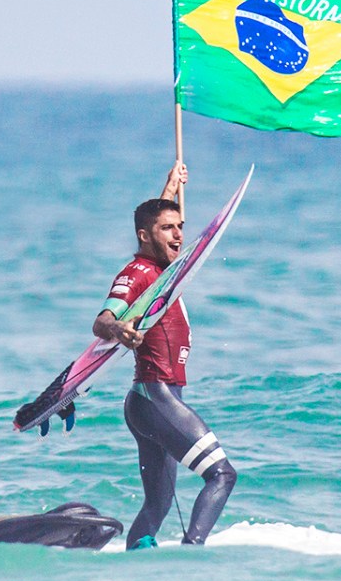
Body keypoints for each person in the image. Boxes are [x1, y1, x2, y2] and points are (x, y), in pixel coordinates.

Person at [92, 162, 236, 549]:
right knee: (222, 475)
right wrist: (118, 329)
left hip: (157, 400)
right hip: (156, 398)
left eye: (180, 227)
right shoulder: (138, 272)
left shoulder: (163, 269)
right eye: (168, 229)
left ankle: (138, 565)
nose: (178, 235)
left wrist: (170, 188)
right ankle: (192, 555)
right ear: (144, 236)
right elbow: (102, 320)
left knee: (157, 504)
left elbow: (154, 223)